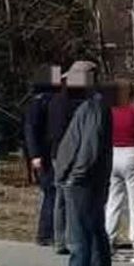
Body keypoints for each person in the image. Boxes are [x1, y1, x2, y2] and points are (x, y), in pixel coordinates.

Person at [49, 61, 113, 266]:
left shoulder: (95, 106)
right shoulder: (93, 105)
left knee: (79, 240)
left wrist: (75, 175)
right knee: (94, 237)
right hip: (85, 180)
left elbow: (90, 147)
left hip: (83, 183)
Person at [45, 63, 91, 254]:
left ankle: (60, 239)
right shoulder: (72, 101)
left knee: (61, 198)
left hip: (58, 152)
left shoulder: (57, 99)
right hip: (69, 152)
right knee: (70, 197)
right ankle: (72, 239)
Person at [107, 82, 134, 263]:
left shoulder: (109, 111)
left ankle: (109, 239)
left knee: (113, 200)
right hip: (132, 152)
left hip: (113, 153)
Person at [23, 65, 60, 247]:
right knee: (51, 191)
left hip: (48, 151)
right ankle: (46, 233)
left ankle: (49, 232)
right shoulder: (40, 102)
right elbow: (31, 128)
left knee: (52, 191)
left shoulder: (44, 100)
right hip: (44, 152)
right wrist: (35, 154)